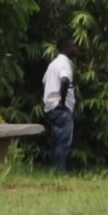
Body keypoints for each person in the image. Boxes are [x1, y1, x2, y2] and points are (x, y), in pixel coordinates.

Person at [42, 38, 78, 171]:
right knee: (63, 142)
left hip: (51, 107)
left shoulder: (53, 64)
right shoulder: (64, 63)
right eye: (73, 46)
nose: (76, 49)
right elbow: (65, 80)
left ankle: (54, 170)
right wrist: (62, 100)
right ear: (66, 47)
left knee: (57, 142)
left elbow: (45, 81)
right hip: (62, 108)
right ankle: (59, 171)